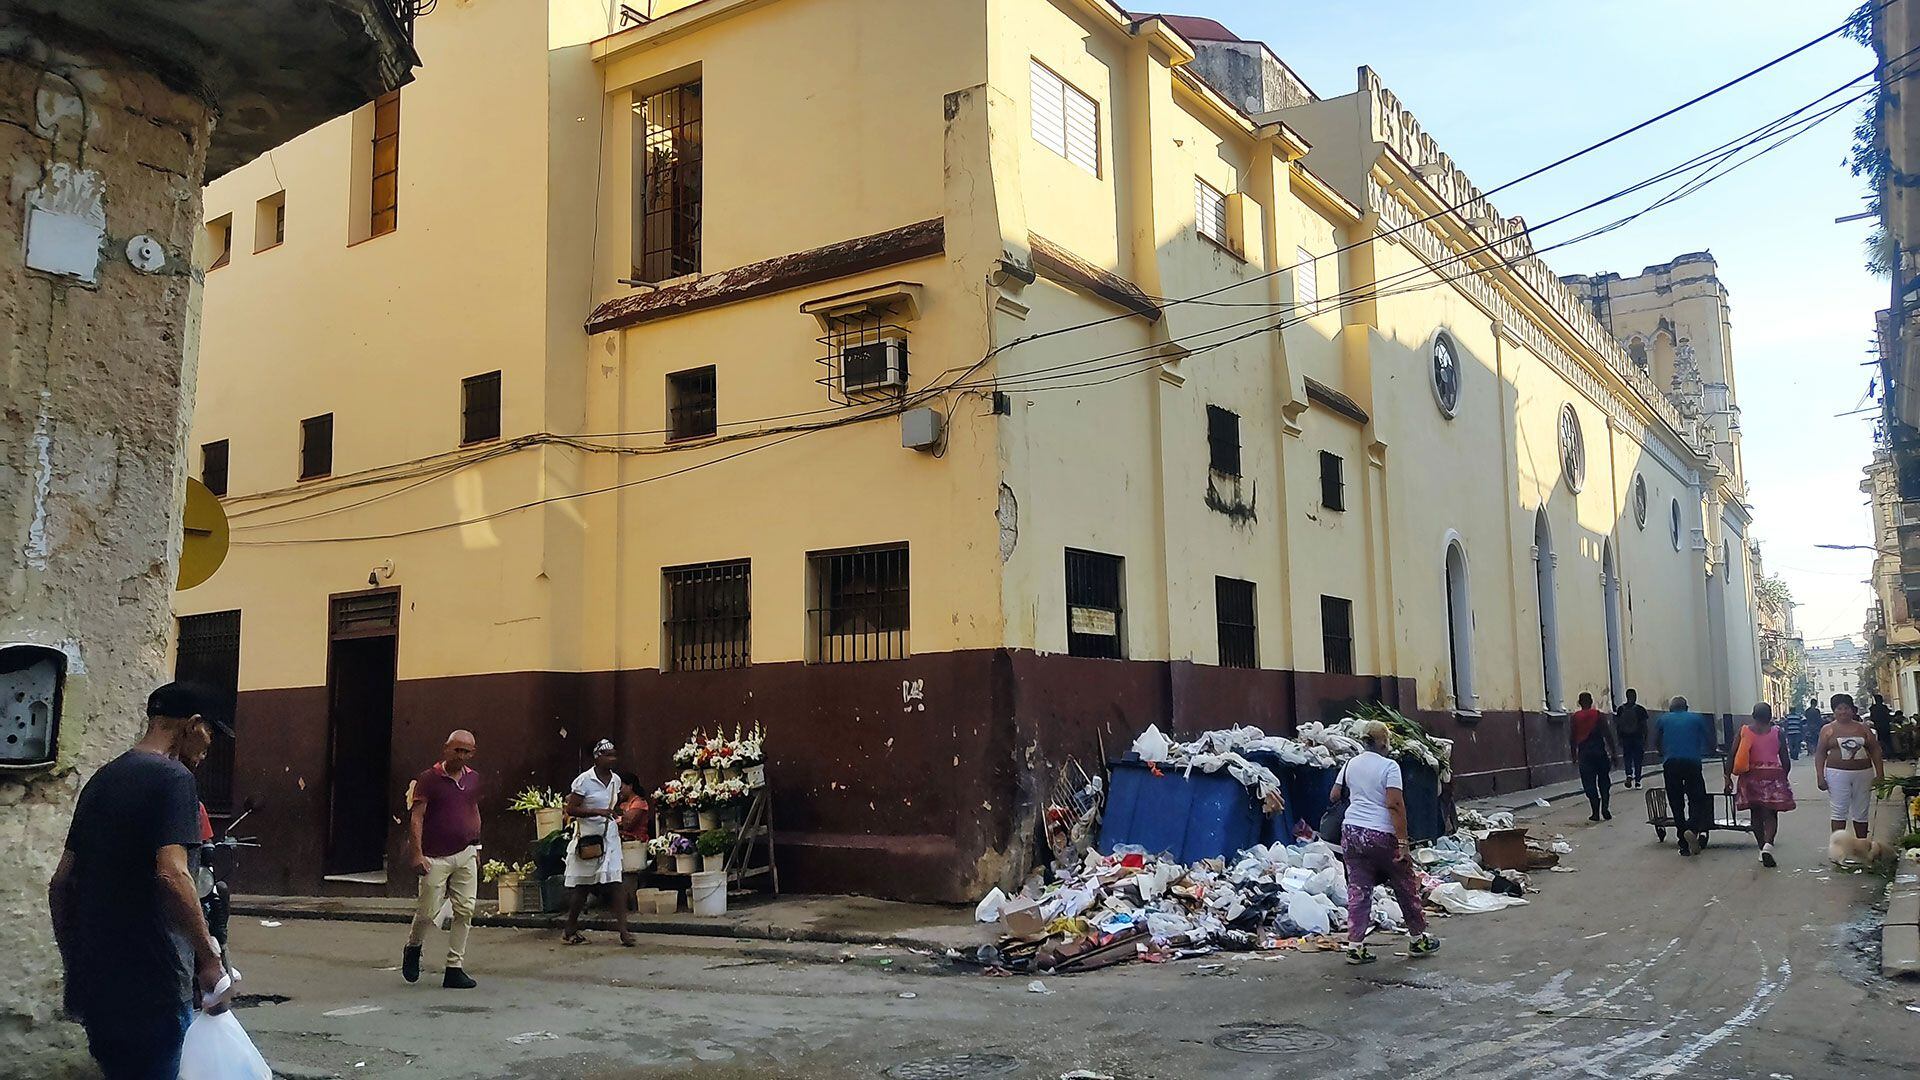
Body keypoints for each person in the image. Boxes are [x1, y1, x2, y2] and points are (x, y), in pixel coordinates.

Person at [48, 683, 229, 1079]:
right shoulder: (173, 779)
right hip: (156, 986)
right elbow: (172, 873)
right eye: (211, 732)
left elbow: (61, 883)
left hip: (101, 987)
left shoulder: (102, 780)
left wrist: (75, 965)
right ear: (192, 725)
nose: (210, 744)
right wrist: (209, 959)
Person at [1327, 721, 1440, 965]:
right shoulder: (1390, 767)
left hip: (1352, 833)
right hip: (1381, 834)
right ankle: (1418, 939)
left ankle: (1355, 946)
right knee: (1404, 883)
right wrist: (1403, 843)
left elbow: (1334, 795)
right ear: (1383, 742)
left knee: (1358, 888)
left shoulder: (1350, 764)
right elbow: (1394, 804)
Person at [402, 730, 481, 989]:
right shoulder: (429, 779)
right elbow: (417, 817)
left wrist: (476, 846)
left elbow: (473, 809)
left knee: (465, 909)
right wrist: (417, 853)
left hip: (466, 853)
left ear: (473, 753)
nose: (461, 756)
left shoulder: (473, 779)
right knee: (427, 911)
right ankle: (414, 946)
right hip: (435, 857)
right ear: (445, 749)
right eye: (456, 750)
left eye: (466, 751)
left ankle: (454, 967)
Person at [562, 740, 634, 947]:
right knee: (583, 887)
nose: (612, 759)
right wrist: (597, 811)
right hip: (588, 838)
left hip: (609, 837)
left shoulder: (616, 780)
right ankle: (570, 927)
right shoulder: (583, 781)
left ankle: (624, 932)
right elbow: (571, 810)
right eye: (607, 755)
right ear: (597, 757)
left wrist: (617, 814)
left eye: (614, 755)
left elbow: (613, 805)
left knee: (616, 883)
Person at [1725, 703, 1794, 867]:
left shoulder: (1744, 731)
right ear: (1770, 716)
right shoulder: (1777, 732)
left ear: (1753, 715)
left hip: (1750, 776)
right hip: (1773, 774)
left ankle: (1762, 847)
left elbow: (1732, 754)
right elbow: (1785, 757)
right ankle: (1768, 846)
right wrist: (1784, 776)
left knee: (1755, 814)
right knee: (1771, 814)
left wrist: (1727, 777)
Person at [1814, 693, 1885, 841]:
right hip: (1837, 774)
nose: (1843, 711)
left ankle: (1862, 846)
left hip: (1863, 774)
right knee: (1839, 810)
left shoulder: (1863, 728)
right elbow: (1820, 754)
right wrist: (1820, 776)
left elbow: (1875, 750)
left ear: (1852, 710)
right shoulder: (1827, 729)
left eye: (1846, 708)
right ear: (1834, 711)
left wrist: (1880, 774)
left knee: (1861, 811)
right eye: (1839, 708)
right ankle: (1838, 848)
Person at [1655, 696, 1714, 858]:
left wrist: (1663, 752)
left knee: (1676, 801)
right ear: (1687, 708)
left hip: (1671, 763)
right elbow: (1710, 740)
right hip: (1692, 763)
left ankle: (1683, 843)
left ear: (1671, 709)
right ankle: (1693, 828)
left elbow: (1657, 742)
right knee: (1697, 798)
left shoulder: (1663, 719)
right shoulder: (1697, 718)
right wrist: (1711, 750)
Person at [1569, 691, 1619, 821]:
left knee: (1589, 783)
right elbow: (1608, 734)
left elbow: (1572, 737)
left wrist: (1573, 755)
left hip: (1584, 755)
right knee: (1604, 781)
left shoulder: (1575, 717)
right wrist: (1614, 753)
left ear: (1579, 703)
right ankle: (1605, 808)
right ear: (1591, 702)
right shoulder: (1598, 715)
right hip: (1600, 752)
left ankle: (1595, 812)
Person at [1615, 689, 1650, 788]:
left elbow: (1618, 726)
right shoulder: (1640, 709)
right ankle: (1638, 781)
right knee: (1638, 759)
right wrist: (1646, 739)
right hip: (1638, 738)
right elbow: (1644, 726)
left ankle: (1629, 774)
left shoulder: (1620, 709)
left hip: (1626, 737)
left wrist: (1619, 738)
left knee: (1627, 757)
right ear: (1635, 697)